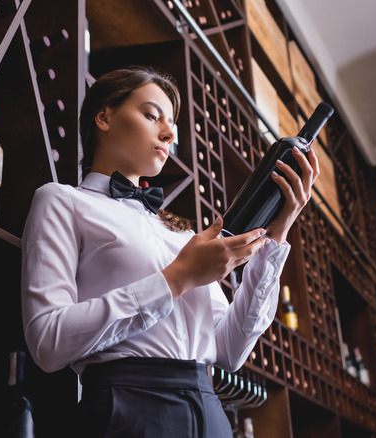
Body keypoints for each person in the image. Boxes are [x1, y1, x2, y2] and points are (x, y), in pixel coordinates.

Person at [20, 66, 319, 437]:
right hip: (126, 410)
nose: (169, 132)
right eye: (151, 115)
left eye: (172, 123)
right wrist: (177, 279)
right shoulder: (62, 201)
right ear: (104, 116)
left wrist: (277, 232)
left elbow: (229, 350)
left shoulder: (182, 234)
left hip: (211, 412)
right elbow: (48, 342)